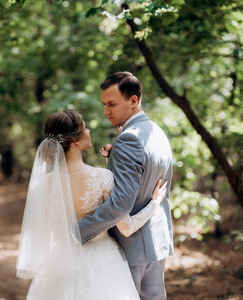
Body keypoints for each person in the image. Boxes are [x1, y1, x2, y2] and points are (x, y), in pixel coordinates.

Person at [16, 109, 167, 299]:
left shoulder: (42, 186)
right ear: (76, 141)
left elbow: (44, 233)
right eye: (85, 128)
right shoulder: (102, 177)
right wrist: (154, 204)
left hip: (60, 263)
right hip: (102, 262)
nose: (88, 132)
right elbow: (126, 227)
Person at [78, 71, 174, 300]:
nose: (105, 111)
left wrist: (77, 232)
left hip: (131, 247)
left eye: (111, 104)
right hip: (156, 240)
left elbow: (121, 204)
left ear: (133, 101)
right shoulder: (156, 132)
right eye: (104, 104)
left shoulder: (128, 139)